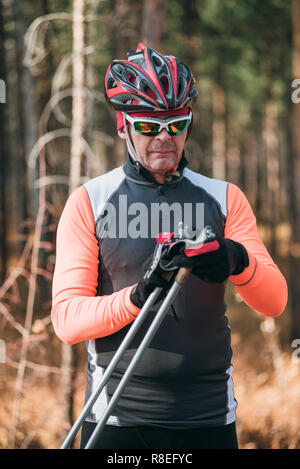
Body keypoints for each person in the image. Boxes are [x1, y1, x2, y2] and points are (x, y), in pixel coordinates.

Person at [51, 43, 288, 450]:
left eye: (177, 124)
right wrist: (138, 296)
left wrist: (237, 259)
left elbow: (275, 302)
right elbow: (67, 320)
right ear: (123, 125)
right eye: (148, 126)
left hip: (208, 417)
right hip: (117, 418)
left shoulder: (224, 198)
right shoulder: (90, 201)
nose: (165, 137)